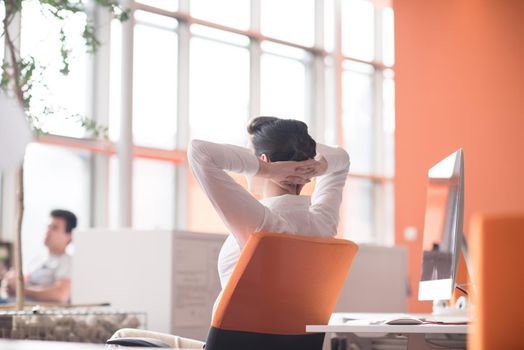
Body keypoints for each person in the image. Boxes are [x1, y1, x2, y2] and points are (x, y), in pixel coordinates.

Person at [110, 116, 350, 348]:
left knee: (122, 336)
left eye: (249, 156)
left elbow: (199, 151)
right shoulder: (323, 223)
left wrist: (267, 170)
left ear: (263, 159)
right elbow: (342, 160)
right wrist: (311, 159)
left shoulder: (263, 224)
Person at [3, 209, 77, 303]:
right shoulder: (36, 260)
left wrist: (21, 290)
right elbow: (22, 281)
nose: (48, 231)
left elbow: (60, 295)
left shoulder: (67, 262)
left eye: (54, 228)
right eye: (48, 227)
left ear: (69, 236)